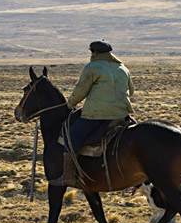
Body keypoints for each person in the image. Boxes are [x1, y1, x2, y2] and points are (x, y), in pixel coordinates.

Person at [48, 40, 134, 187]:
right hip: (121, 114)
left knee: (72, 136)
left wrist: (70, 105)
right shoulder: (122, 68)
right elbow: (130, 91)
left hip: (97, 114)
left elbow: (81, 90)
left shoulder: (92, 67)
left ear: (94, 52)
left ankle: (68, 177)